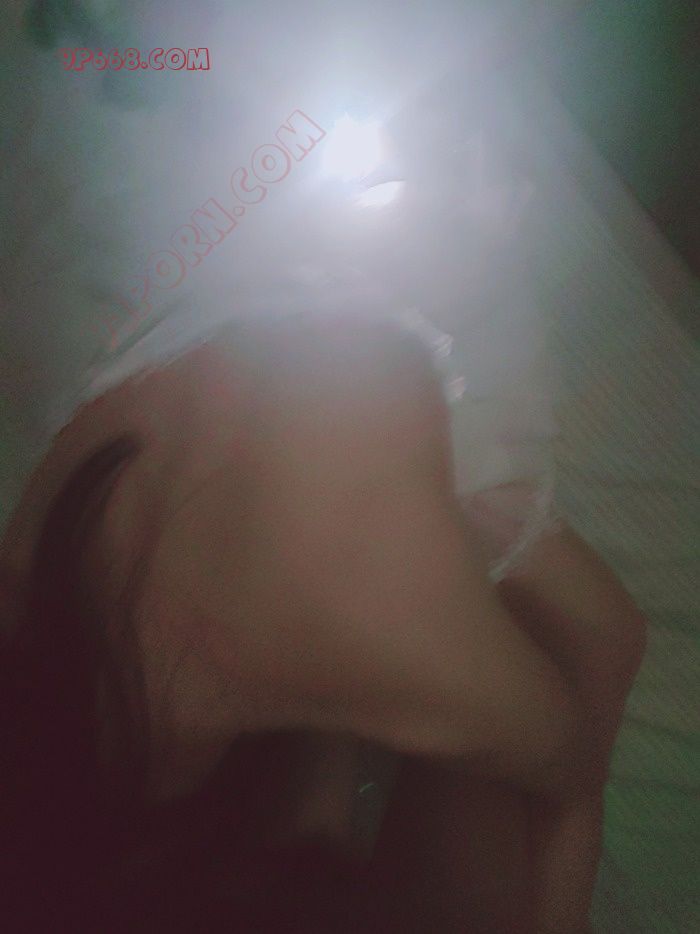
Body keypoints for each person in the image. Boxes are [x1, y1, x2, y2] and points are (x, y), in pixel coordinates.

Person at [0, 313, 646, 932]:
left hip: (375, 333)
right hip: (162, 326)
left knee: (578, 660)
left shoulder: (409, 656)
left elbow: (578, 740)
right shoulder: (32, 580)